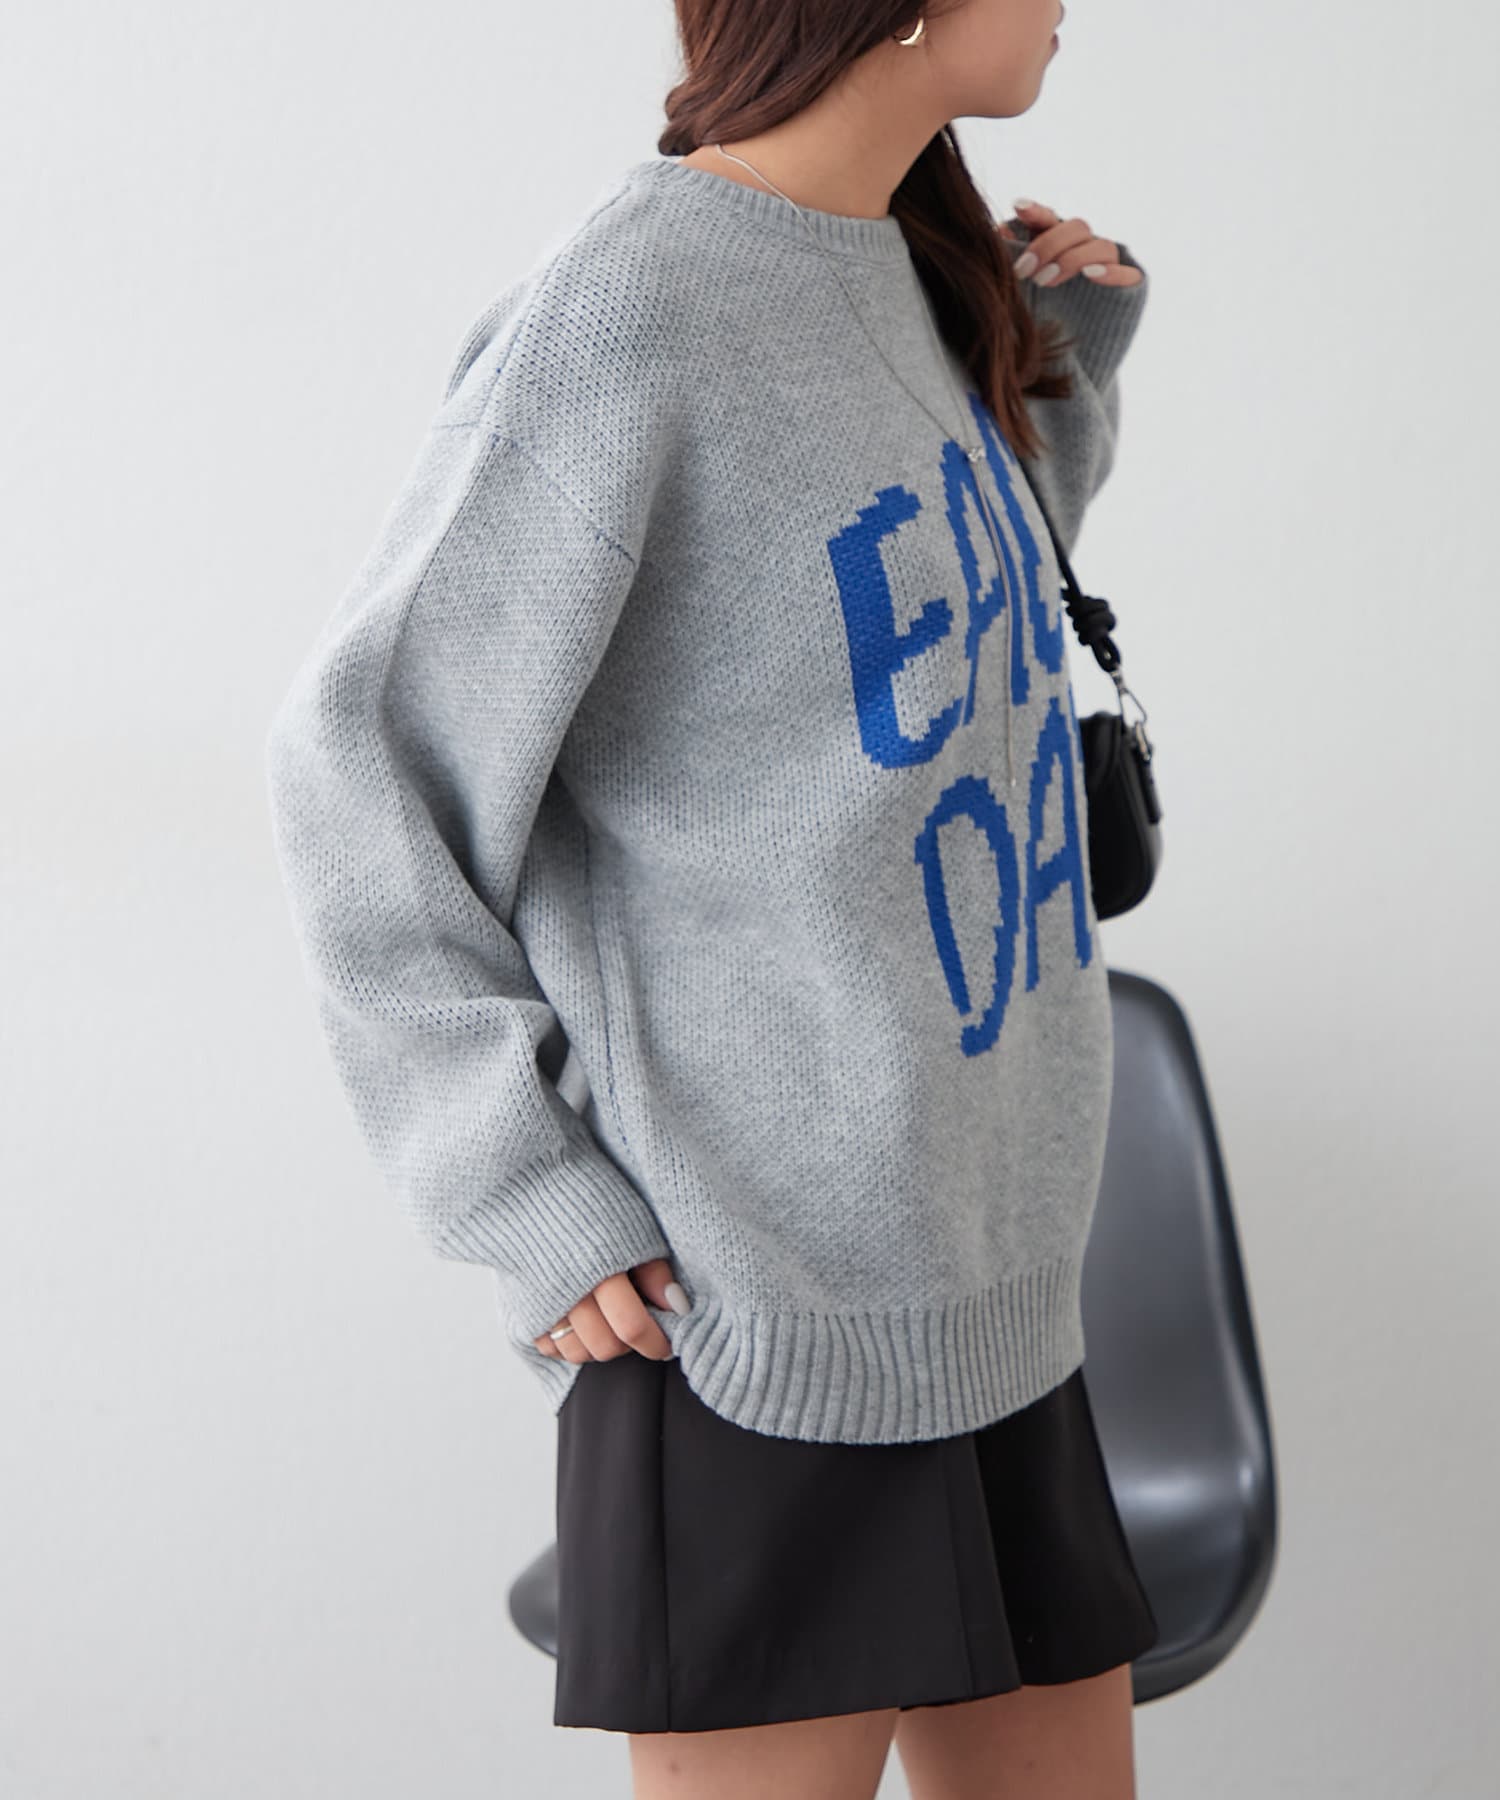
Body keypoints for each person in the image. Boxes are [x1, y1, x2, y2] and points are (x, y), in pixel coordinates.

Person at [265, 0, 1159, 1793]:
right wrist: (521, 1185)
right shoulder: (635, 311)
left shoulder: (903, 259)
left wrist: (1063, 363)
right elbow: (358, 764)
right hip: (757, 1307)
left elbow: (907, 663)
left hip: (985, 1274)